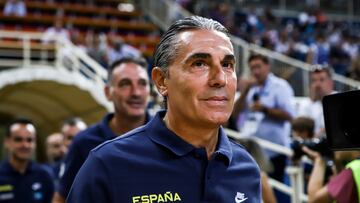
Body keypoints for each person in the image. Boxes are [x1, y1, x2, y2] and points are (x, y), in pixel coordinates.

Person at [67, 16, 261, 203]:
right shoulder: (108, 165)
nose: (220, 79)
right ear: (161, 81)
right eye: (199, 64)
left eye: (227, 65)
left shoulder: (246, 168)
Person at [52, 56, 151, 203]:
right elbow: (62, 197)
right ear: (107, 92)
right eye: (125, 84)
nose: (136, 92)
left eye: (142, 83)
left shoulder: (169, 136)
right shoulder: (84, 143)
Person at [232, 53, 295, 183]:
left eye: (258, 67)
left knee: (273, 189)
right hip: (252, 150)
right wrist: (245, 92)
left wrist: (265, 109)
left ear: (267, 66)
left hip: (273, 151)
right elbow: (233, 114)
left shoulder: (280, 86)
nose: (255, 71)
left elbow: (290, 116)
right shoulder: (250, 88)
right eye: (252, 68)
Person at [0, 118, 54, 203]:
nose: (25, 145)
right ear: (7, 142)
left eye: (29, 140)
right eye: (18, 139)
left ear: (35, 143)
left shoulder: (44, 175)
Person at [297, 66, 335, 138]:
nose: (317, 84)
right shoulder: (306, 104)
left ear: (331, 82)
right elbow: (300, 132)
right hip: (311, 146)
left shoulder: (338, 100)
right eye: (314, 80)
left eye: (321, 80)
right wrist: (311, 101)